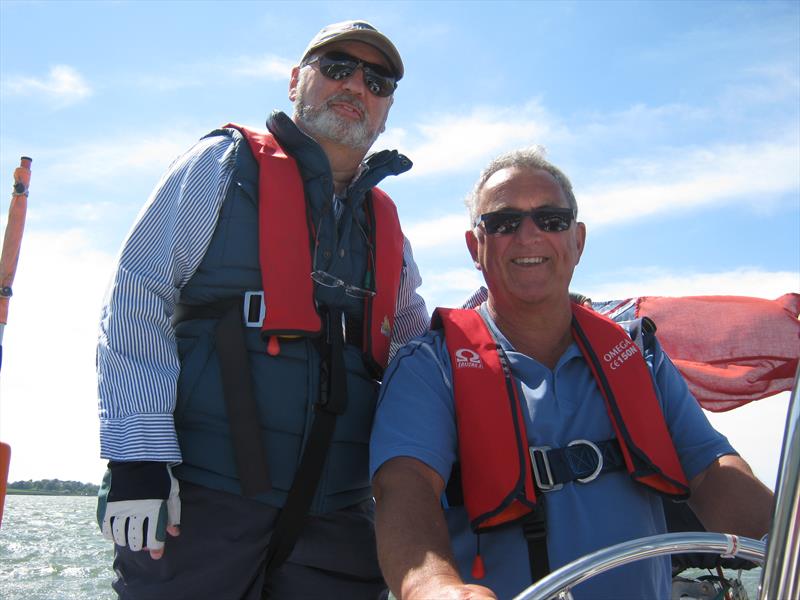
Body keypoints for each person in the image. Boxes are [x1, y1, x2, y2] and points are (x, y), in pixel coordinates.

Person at [96, 20, 428, 599]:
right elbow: (137, 294)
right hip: (201, 507)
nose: (356, 86)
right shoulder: (219, 166)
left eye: (376, 81)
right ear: (297, 80)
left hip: (339, 524)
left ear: (387, 110)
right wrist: (137, 459)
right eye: (337, 68)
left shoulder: (389, 226)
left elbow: (416, 353)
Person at [369, 147, 774, 600]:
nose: (529, 236)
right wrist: (433, 588)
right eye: (503, 222)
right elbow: (405, 488)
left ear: (577, 240)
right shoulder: (430, 367)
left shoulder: (639, 356)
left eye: (551, 219)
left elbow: (710, 470)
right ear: (474, 246)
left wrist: (785, 535)